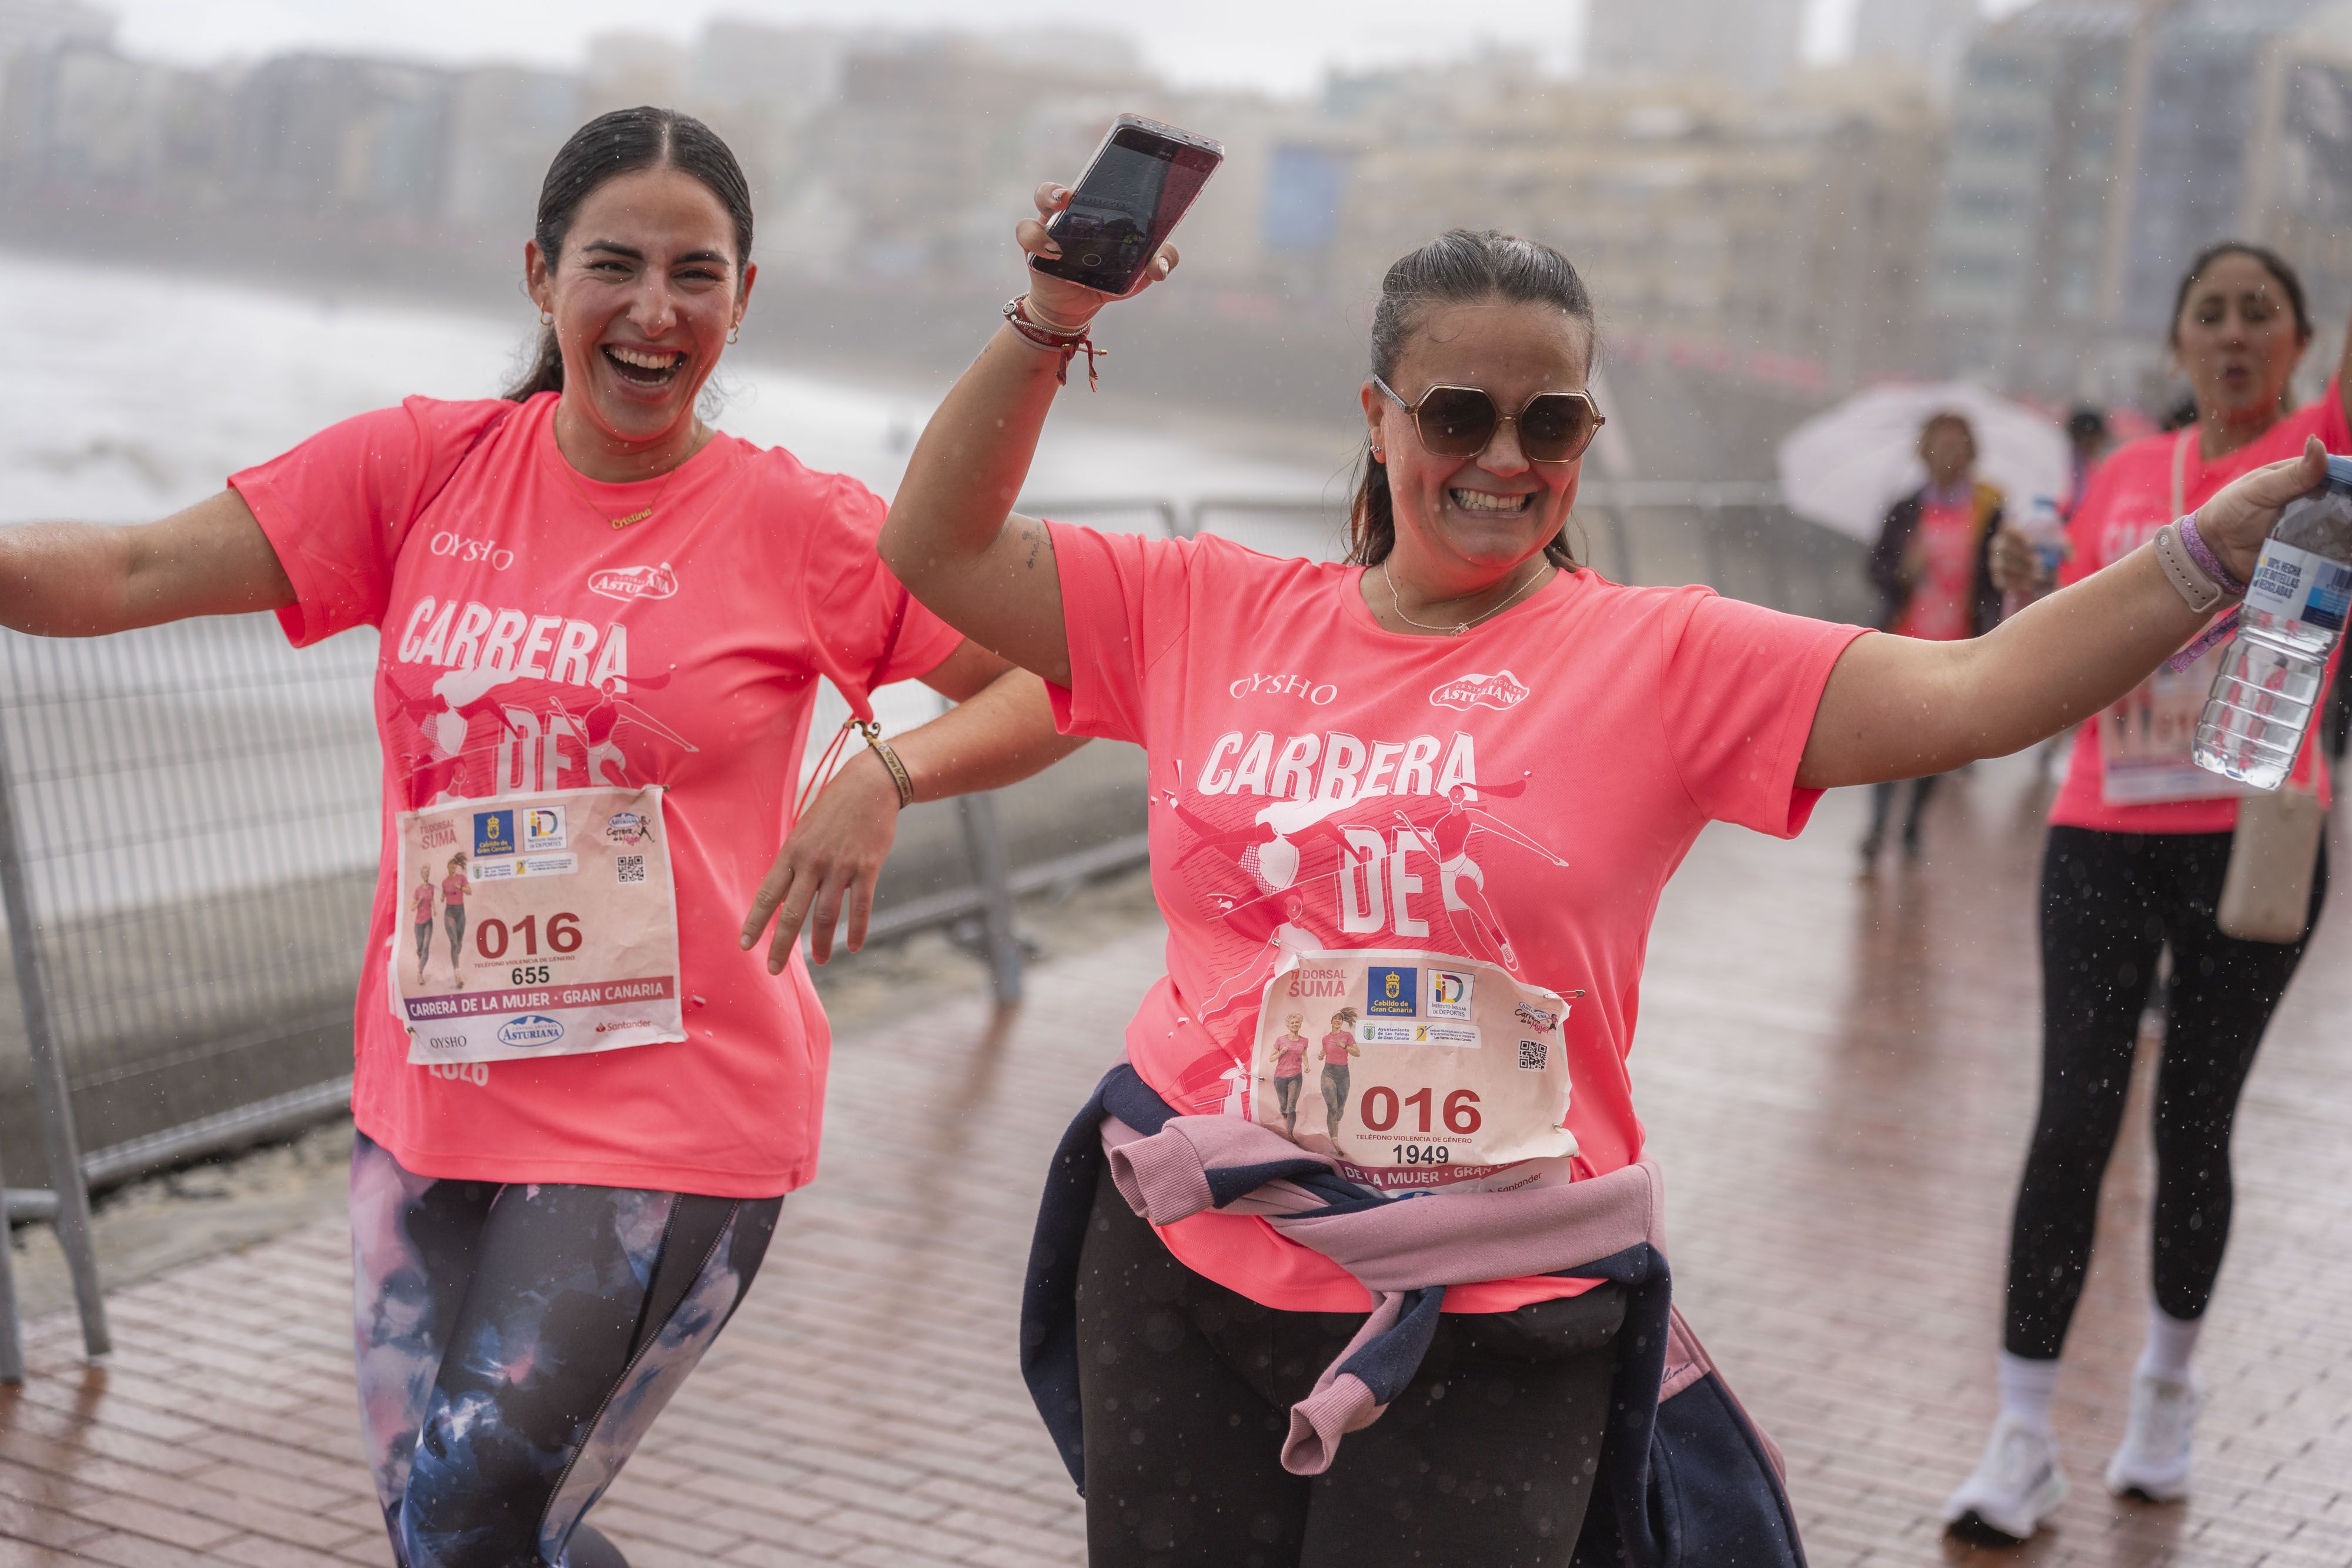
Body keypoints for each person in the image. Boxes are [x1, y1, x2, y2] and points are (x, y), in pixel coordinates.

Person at [876, 180, 2327, 1565]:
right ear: (1377, 418)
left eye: (1548, 418)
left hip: (1496, 1309)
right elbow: (933, 546)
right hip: (1189, 1264)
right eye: (1457, 412)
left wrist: (2206, 550)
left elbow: (1976, 693)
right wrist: (1053, 313)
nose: (1504, 458)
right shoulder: (1208, 605)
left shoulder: (1665, 655)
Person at [0, 107, 1081, 1568]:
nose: (653, 311)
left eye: (695, 274)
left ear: (744, 299)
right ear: (537, 277)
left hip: (669, 1110)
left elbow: (1047, 680)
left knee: (469, 1515)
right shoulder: (420, 469)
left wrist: (885, 766)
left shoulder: (795, 521)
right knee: (465, 1539)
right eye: (613, 266)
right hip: (434, 1094)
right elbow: (127, 565)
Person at [1945, 240, 2352, 1543]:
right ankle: (2017, 1437)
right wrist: (2020, 584)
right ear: (2174, 340)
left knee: (2193, 1121)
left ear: (2297, 342)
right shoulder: (2120, 469)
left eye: (2258, 315)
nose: (2232, 334)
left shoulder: (2315, 456)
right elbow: (2060, 622)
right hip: (2098, 829)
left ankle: (2164, 1392)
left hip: (2251, 837)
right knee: (2070, 1116)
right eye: (2208, 314)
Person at [1861, 412, 2004, 867]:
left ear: (1971, 454)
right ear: (1924, 452)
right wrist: (1904, 572)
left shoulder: (1988, 512)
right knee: (1884, 740)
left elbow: (1995, 583)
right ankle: (1877, 827)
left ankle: (1912, 825)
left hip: (1956, 647)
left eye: (1957, 445)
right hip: (1901, 642)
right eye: (1939, 445)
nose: (1948, 455)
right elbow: (1875, 569)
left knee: (1936, 745)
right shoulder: (1905, 509)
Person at [1319, 1005, 1362, 1141]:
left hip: (1343, 1074)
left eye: (1340, 1019)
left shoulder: (1347, 1036)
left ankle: (1335, 1125)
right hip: (1329, 1072)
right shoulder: (1326, 1038)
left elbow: (1357, 1053)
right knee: (1332, 1107)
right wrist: (1321, 1055)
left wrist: (1345, 1046)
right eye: (1335, 1018)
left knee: (1340, 1108)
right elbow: (1325, 1051)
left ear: (1342, 1022)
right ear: (1331, 1021)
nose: (1338, 1021)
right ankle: (1334, 1139)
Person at [1271, 1012, 1311, 1135]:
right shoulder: (1281, 1040)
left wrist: (1307, 1066)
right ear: (1288, 1025)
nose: (1295, 1025)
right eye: (1292, 1023)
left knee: (1292, 1106)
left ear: (1300, 1025)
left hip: (1296, 1076)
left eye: (1297, 1022)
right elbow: (1271, 1058)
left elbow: (1304, 1054)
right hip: (1280, 1077)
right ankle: (1284, 1117)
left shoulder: (1304, 1041)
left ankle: (1290, 1134)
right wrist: (1282, 1052)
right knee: (1283, 1106)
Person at [440, 852, 472, 989]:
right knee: (453, 943)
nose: (452, 866)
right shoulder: (445, 882)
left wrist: (461, 888)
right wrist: (442, 897)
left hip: (460, 912)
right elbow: (444, 892)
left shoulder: (461, 878)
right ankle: (457, 974)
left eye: (454, 864)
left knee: (459, 944)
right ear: (448, 867)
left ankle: (456, 957)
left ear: (456, 866)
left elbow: (469, 891)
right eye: (450, 865)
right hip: (449, 913)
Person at [412, 865, 437, 984]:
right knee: (420, 948)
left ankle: (420, 974)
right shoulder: (418, 890)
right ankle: (420, 956)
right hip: (419, 923)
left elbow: (432, 899)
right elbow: (412, 908)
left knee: (426, 946)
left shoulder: (432, 888)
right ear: (422, 876)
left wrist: (435, 910)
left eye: (428, 874)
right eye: (425, 875)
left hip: (428, 921)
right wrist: (419, 901)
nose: (427, 876)